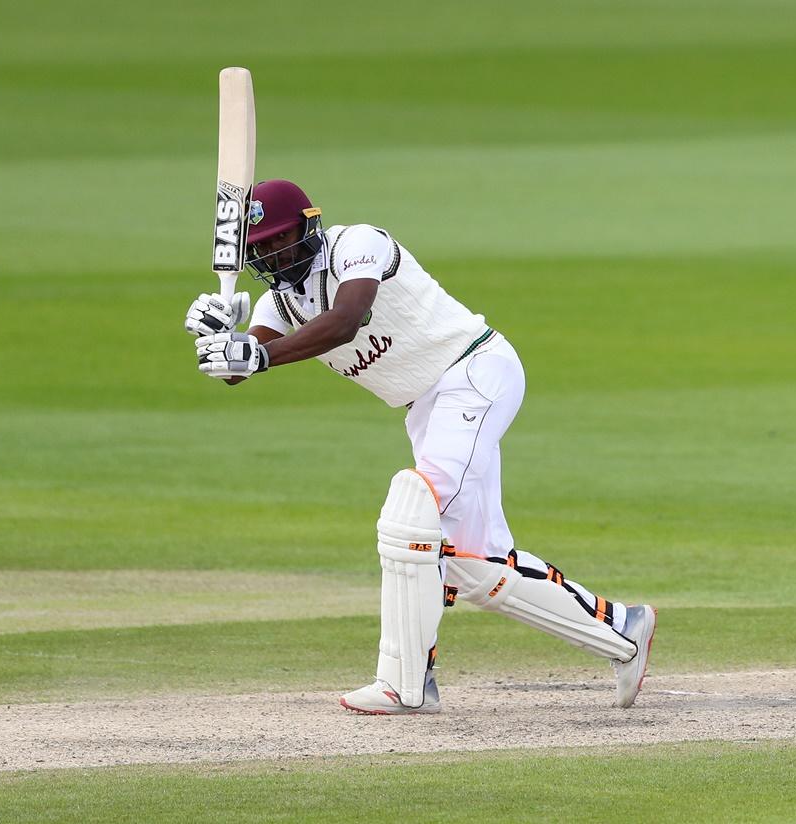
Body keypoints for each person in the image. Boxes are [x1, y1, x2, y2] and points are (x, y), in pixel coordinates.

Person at [185, 179, 656, 714]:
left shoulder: (357, 245)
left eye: (283, 237)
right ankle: (623, 630)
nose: (276, 251)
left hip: (473, 372)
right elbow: (236, 372)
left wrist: (259, 355)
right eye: (263, 247)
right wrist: (222, 338)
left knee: (415, 516)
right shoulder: (279, 303)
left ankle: (405, 685)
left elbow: (345, 320)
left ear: (308, 225)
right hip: (427, 408)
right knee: (473, 561)